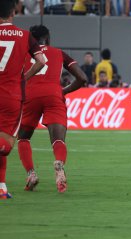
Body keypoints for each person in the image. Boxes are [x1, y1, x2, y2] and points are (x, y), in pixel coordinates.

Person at [17, 25, 87, 193]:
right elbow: (82, 78)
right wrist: (63, 91)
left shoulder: (24, 54)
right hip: (53, 95)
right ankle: (59, 165)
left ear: (31, 40)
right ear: (47, 38)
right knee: (58, 140)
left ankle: (31, 174)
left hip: (30, 95)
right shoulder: (59, 53)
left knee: (23, 138)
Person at [0, 0, 45, 199]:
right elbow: (41, 61)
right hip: (11, 95)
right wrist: (25, 77)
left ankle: (1, 187)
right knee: (5, 146)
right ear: (13, 12)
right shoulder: (25, 36)